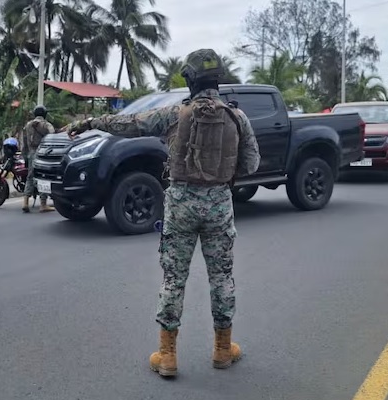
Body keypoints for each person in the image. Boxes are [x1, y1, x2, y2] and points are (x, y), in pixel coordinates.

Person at [66, 49, 260, 378]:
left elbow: (127, 124)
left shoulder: (174, 114)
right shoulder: (237, 118)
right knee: (222, 279)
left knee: (174, 280)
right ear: (218, 78)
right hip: (219, 206)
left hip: (181, 204)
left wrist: (88, 122)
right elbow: (251, 164)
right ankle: (223, 349)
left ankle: (168, 356)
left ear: (190, 80)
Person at [21, 105, 55, 213]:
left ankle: (25, 202)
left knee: (29, 177)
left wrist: (25, 156)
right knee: (42, 178)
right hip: (42, 154)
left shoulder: (27, 125)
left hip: (31, 153)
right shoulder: (46, 125)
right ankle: (43, 204)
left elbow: (24, 144)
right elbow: (53, 136)